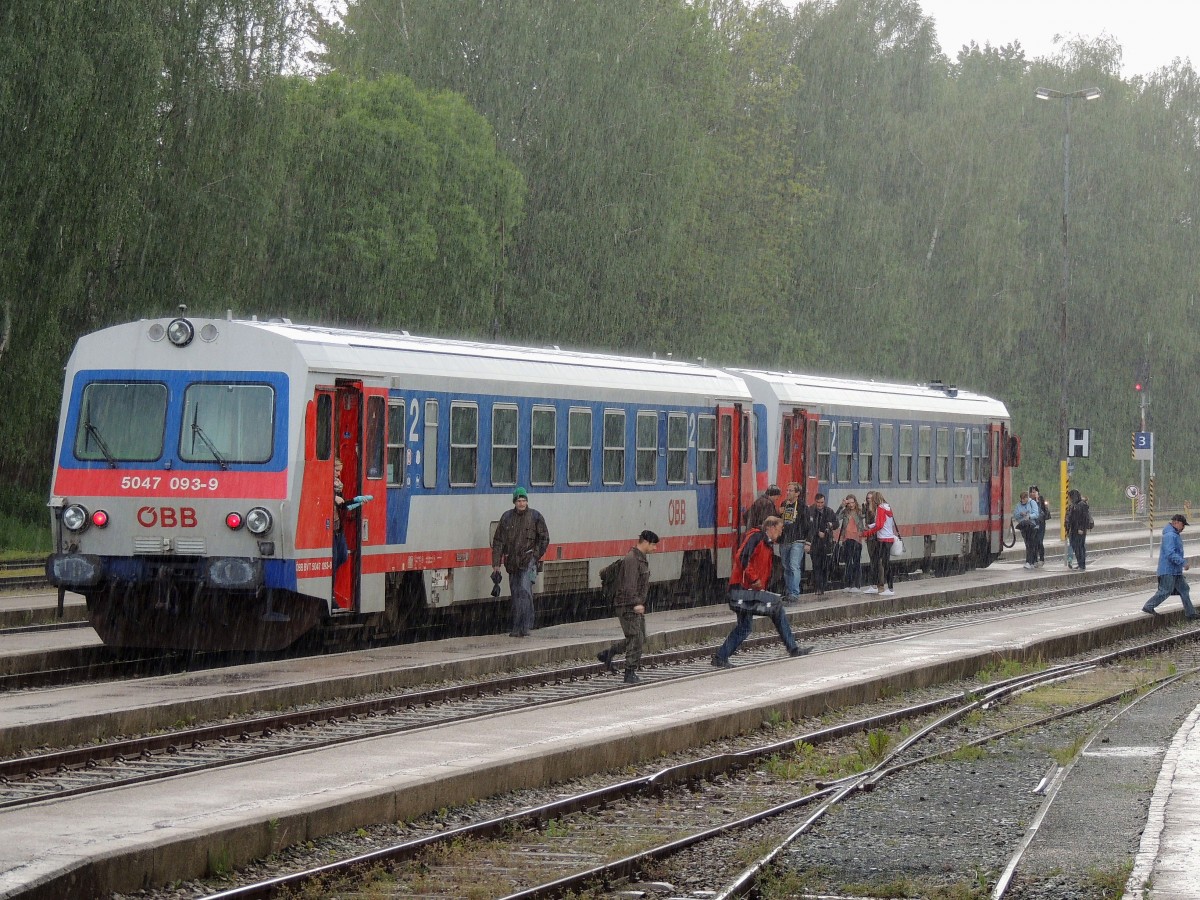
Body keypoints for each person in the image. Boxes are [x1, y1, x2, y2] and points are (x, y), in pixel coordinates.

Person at [712, 516, 811, 668]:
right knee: (775, 609)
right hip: (743, 589)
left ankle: (721, 657)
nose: (779, 534)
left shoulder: (766, 542)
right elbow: (742, 556)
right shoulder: (757, 537)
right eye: (778, 530)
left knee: (746, 626)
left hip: (748, 590)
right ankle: (793, 648)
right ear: (770, 528)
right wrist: (754, 579)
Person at [598, 530, 659, 684]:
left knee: (638, 637)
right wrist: (636, 603)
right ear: (645, 542)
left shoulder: (639, 559)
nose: (655, 548)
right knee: (636, 638)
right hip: (627, 605)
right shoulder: (632, 560)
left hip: (630, 604)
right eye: (653, 545)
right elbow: (629, 585)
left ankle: (608, 653)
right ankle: (629, 673)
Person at [491, 487, 550, 637]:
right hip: (512, 562)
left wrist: (535, 556)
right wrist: (496, 564)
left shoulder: (536, 517)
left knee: (524, 591)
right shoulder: (506, 518)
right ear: (514, 502)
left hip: (528, 561)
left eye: (524, 500)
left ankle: (525, 626)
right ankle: (517, 626)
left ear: (527, 501)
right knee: (516, 594)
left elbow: (544, 538)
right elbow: (498, 542)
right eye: (519, 500)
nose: (521, 503)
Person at [1142, 514, 1197, 619]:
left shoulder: (1174, 534)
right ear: (1177, 522)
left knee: (1184, 589)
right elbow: (1170, 553)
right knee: (1165, 591)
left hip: (1175, 571)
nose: (1183, 528)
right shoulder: (1170, 535)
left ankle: (1191, 614)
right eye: (1183, 525)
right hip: (1168, 570)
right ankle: (1148, 606)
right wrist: (1183, 563)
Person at [860, 492, 898, 595]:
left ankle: (890, 589)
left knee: (885, 564)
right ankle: (883, 587)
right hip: (888, 538)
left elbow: (880, 525)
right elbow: (881, 523)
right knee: (883, 563)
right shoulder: (887, 507)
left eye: (872, 500)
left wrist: (867, 533)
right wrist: (871, 527)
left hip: (884, 540)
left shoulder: (880, 508)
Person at [802, 493, 839, 596]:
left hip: (826, 543)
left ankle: (822, 586)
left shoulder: (829, 511)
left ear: (824, 501)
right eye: (818, 502)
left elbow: (836, 523)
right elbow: (809, 526)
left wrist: (830, 526)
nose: (820, 505)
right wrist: (816, 534)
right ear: (815, 501)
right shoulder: (810, 511)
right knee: (816, 566)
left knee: (824, 566)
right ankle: (819, 588)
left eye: (822, 502)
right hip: (815, 543)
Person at [779, 482, 806, 601]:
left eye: (790, 491)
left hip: (797, 540)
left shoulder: (802, 506)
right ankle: (789, 591)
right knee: (786, 567)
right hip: (785, 540)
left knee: (794, 566)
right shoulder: (783, 504)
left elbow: (807, 524)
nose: (788, 493)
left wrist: (807, 541)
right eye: (787, 490)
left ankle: (795, 593)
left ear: (797, 493)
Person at [837, 494, 865, 592]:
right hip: (846, 538)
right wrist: (841, 506)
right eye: (849, 503)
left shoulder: (859, 511)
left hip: (857, 538)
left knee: (856, 562)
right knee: (848, 562)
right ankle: (848, 584)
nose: (851, 505)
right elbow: (836, 518)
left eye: (853, 502)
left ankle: (856, 585)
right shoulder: (845, 512)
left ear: (855, 502)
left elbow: (864, 515)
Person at [331, 457, 349, 610]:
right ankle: (330, 594)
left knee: (343, 555)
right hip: (329, 527)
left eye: (339, 471)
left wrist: (353, 502)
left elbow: (341, 504)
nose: (338, 474)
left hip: (337, 527)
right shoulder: (324, 483)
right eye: (336, 470)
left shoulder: (337, 485)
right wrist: (332, 497)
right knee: (334, 558)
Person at [1012, 490, 1041, 570]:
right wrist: (1020, 514)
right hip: (1023, 526)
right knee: (1027, 543)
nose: (1023, 501)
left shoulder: (1032, 503)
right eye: (1022, 499)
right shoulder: (1018, 505)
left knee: (1030, 544)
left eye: (1024, 499)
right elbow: (1015, 514)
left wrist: (1029, 516)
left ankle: (1029, 561)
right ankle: (1032, 561)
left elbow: (1036, 514)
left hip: (1032, 526)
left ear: (1027, 498)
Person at [1064, 489, 1091, 572]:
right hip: (1074, 530)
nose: (1070, 499)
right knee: (1077, 547)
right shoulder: (1075, 505)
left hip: (1079, 530)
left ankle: (1082, 565)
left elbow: (1083, 518)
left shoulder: (1081, 505)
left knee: (1079, 547)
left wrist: (1081, 528)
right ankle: (1080, 564)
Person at [862, 491, 881, 592]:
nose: (869, 500)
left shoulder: (877, 510)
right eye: (867, 498)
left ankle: (876, 584)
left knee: (876, 562)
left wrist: (869, 529)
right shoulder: (867, 510)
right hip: (870, 539)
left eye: (870, 498)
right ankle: (874, 584)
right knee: (873, 561)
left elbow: (876, 524)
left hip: (876, 538)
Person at [1030, 486, 1051, 567]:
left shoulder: (1041, 500)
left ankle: (1041, 559)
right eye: (1031, 492)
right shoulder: (1029, 501)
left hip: (1041, 524)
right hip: (1032, 524)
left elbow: (1042, 511)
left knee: (1039, 541)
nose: (1033, 493)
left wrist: (1037, 500)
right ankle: (1034, 560)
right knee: (1033, 542)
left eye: (1034, 492)